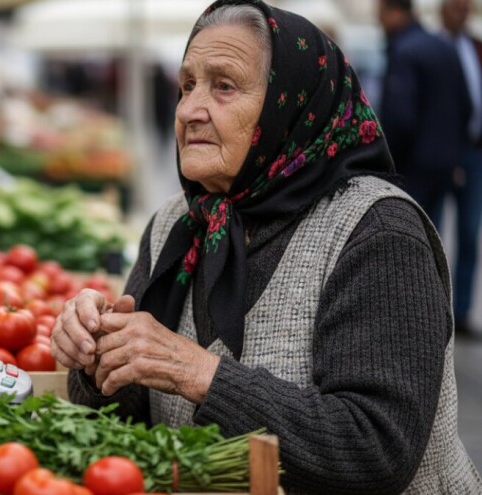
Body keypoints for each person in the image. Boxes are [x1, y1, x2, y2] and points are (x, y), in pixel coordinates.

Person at [50, 1, 482, 492]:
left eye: (224, 86)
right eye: (187, 85)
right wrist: (96, 354)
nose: (190, 110)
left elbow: (376, 450)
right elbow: (124, 421)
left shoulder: (379, 231)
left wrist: (198, 372)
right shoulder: (179, 222)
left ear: (290, 101)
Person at [378, 0, 471, 225]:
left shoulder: (405, 50)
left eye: (381, 14)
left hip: (412, 167)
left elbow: (400, 118)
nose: (380, 21)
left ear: (396, 12)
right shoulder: (444, 47)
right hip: (443, 164)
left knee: (408, 237)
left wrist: (387, 162)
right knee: (432, 235)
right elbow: (466, 105)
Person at [442, 0, 482, 337]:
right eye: (457, 5)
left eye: (466, 6)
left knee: (469, 235)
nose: (463, 10)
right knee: (434, 233)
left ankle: (462, 313)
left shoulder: (475, 47)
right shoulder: (434, 47)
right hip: (442, 153)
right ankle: (435, 311)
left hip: (474, 152)